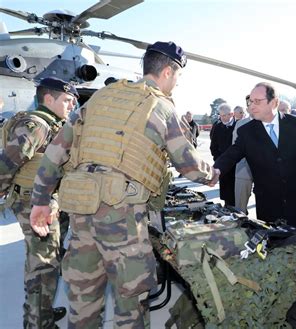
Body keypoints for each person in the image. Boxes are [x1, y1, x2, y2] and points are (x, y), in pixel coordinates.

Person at [29, 41, 219, 328]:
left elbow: (55, 154)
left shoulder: (99, 99)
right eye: (178, 77)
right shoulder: (162, 107)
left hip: (81, 215)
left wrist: (40, 201)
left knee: (82, 303)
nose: (176, 84)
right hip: (123, 219)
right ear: (168, 72)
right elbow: (189, 165)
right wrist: (211, 174)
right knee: (129, 305)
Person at [0, 77, 77, 328]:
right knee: (43, 268)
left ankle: (42, 311)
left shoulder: (52, 124)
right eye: (66, 100)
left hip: (45, 202)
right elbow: (6, 164)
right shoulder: (36, 125)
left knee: (47, 261)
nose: (71, 105)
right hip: (33, 204)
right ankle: (38, 322)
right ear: (48, 99)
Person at [214, 82, 296, 227]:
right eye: (250, 101)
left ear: (274, 102)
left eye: (257, 101)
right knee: (273, 245)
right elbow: (231, 154)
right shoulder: (246, 132)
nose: (251, 106)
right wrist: (215, 170)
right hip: (268, 203)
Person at [210, 103, 236, 206]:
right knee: (226, 190)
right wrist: (218, 159)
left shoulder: (238, 126)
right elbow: (213, 145)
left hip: (236, 164)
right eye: (221, 115)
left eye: (225, 115)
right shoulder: (217, 127)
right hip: (222, 164)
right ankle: (227, 207)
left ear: (231, 114)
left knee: (236, 191)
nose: (223, 118)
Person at [233, 98, 253, 213]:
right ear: (247, 108)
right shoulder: (240, 124)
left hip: (266, 169)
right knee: (240, 206)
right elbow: (234, 147)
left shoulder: (269, 123)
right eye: (251, 103)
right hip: (243, 167)